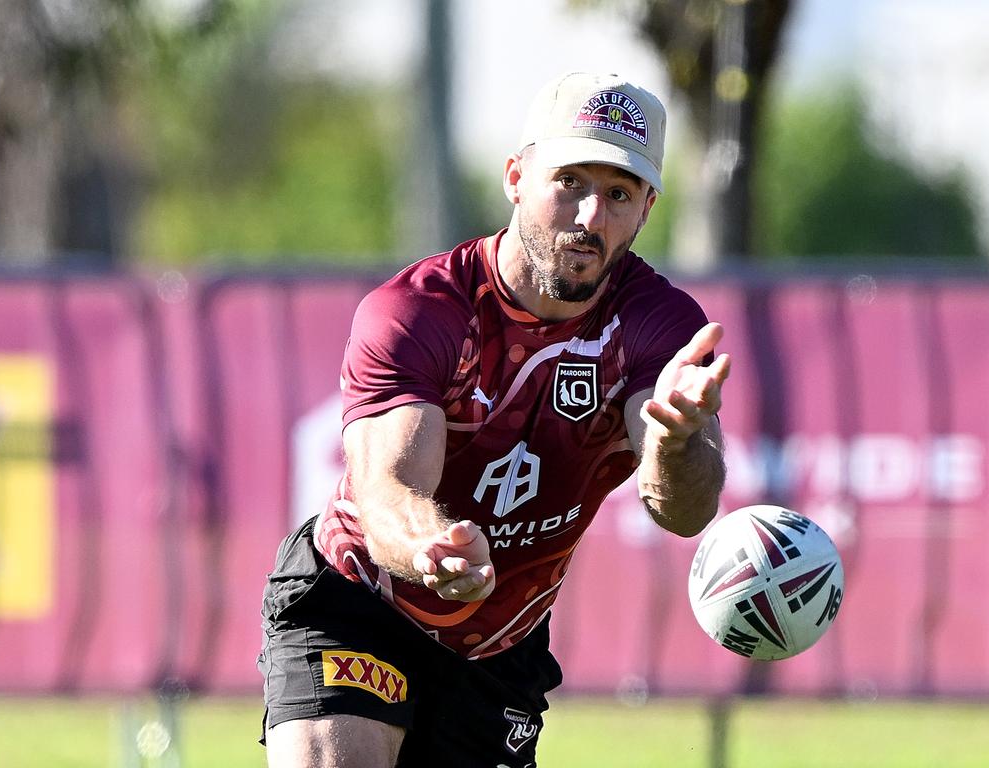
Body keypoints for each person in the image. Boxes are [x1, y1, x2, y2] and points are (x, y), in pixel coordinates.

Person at [257, 71, 731, 768]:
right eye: (569, 181)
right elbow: (385, 494)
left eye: (619, 194)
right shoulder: (420, 313)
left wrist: (673, 442)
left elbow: (682, 511)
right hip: (357, 601)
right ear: (516, 176)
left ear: (647, 209)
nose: (591, 216)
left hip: (500, 649)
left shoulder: (661, 328)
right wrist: (431, 548)